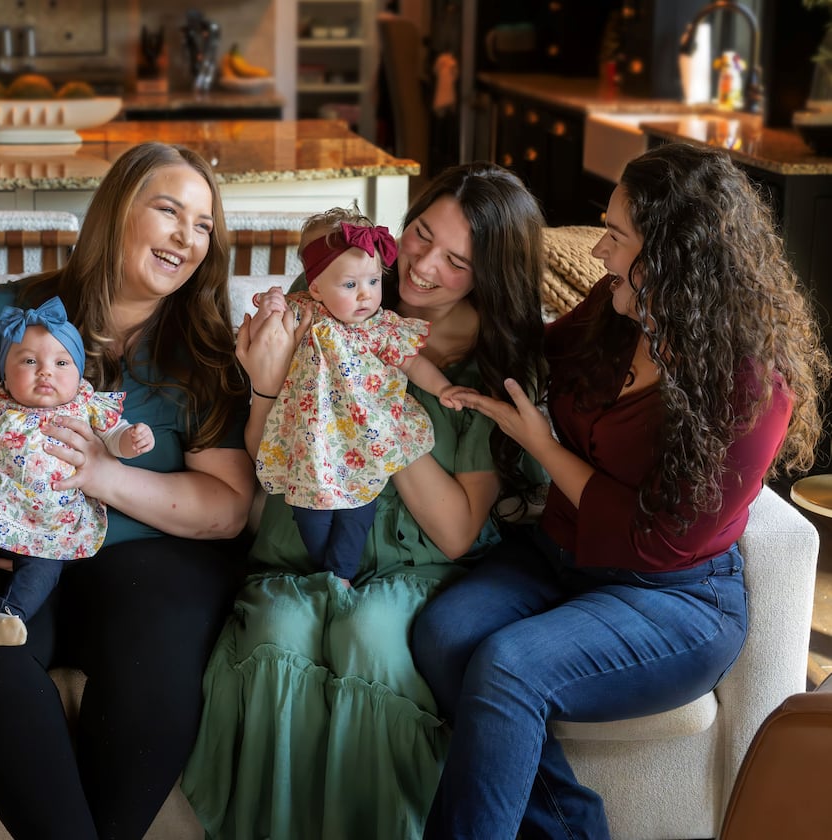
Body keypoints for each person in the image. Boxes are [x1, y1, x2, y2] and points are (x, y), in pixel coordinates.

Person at [412, 143, 830, 839]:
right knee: (444, 633)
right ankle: (575, 828)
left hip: (672, 597)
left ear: (672, 255)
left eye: (617, 234)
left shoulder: (754, 384)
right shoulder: (614, 308)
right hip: (561, 559)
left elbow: (660, 539)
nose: (600, 250)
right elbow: (536, 350)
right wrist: (427, 327)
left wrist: (541, 444)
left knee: (510, 668)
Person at [183, 162, 548, 839]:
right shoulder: (331, 289)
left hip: (416, 570)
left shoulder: (496, 364)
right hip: (300, 546)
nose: (422, 267)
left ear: (490, 274)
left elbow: (458, 531)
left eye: (458, 261)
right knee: (276, 638)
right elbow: (271, 463)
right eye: (419, 234)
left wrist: (379, 401)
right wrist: (265, 389)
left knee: (373, 638)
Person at [0, 141, 253, 839]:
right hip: (8, 552)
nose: (187, 236)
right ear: (115, 213)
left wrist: (103, 474)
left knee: (158, 664)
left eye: (204, 225)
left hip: (151, 560)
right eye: (168, 210)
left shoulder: (204, 349)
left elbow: (229, 508)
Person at [0, 295, 155, 646]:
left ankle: (11, 614)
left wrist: (132, 439)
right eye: (28, 361)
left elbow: (114, 440)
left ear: (80, 372)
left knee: (45, 565)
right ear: (5, 376)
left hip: (54, 515)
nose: (46, 372)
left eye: (61, 363)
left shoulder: (86, 404)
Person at [251, 205, 472, 587]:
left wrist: (442, 388)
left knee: (358, 511)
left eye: (373, 281)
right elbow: (268, 328)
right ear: (316, 286)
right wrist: (271, 304)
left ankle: (342, 575)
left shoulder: (382, 327)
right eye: (350, 286)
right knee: (309, 514)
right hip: (313, 442)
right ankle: (327, 571)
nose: (366, 295)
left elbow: (412, 363)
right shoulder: (306, 311)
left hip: (362, 442)